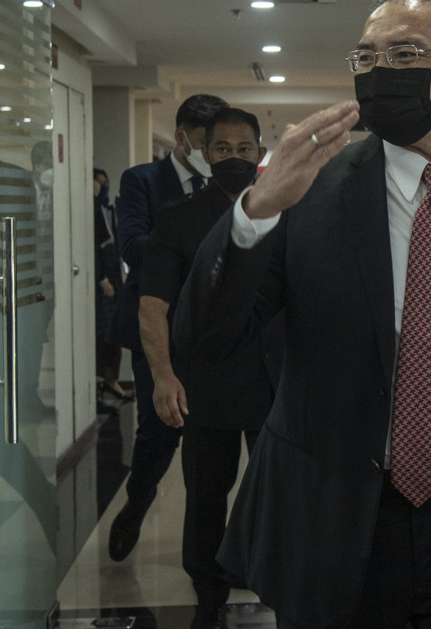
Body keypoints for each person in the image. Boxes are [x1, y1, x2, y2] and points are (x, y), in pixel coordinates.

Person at [174, 0, 431, 629]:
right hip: (333, 513)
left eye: (406, 54)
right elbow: (206, 339)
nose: (380, 72)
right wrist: (255, 213)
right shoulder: (308, 193)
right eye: (366, 58)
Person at [139, 108, 283, 629]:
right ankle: (207, 591)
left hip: (275, 381)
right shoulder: (179, 218)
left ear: (260, 152)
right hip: (206, 381)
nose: (234, 158)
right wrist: (163, 376)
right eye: (223, 149)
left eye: (245, 149)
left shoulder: (286, 210)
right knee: (205, 493)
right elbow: (152, 305)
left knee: (277, 492)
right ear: (204, 152)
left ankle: (270, 576)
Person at [109, 93, 229, 562]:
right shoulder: (141, 180)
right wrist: (188, 243)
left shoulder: (225, 183)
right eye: (206, 142)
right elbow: (132, 246)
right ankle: (136, 506)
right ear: (182, 138)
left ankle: (212, 549)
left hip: (210, 328)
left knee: (210, 439)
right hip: (154, 323)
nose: (214, 152)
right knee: (159, 432)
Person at [93, 168, 130, 403]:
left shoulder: (108, 210)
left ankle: (110, 380)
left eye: (106, 182)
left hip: (115, 277)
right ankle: (102, 382)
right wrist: (102, 278)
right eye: (99, 182)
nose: (103, 187)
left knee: (115, 331)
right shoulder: (91, 210)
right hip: (100, 280)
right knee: (102, 334)